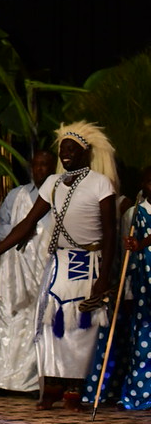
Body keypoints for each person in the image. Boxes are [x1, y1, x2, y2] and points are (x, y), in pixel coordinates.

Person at [0, 121, 118, 411]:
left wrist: (103, 277)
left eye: (71, 148)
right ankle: (52, 386)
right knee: (51, 324)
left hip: (87, 261)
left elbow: (110, 233)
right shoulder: (54, 183)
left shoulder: (100, 183)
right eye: (62, 148)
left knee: (81, 327)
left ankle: (74, 390)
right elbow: (26, 224)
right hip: (59, 263)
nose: (65, 153)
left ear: (85, 152)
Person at [0, 150, 55, 395]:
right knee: (10, 319)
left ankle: (32, 383)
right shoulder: (17, 195)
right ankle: (0, 380)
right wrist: (14, 236)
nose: (40, 170)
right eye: (36, 165)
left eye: (45, 165)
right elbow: (0, 226)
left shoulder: (59, 196)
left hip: (44, 266)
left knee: (38, 320)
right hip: (16, 265)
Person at [83, 166, 151, 410]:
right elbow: (126, 256)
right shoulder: (135, 215)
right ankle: (140, 394)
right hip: (143, 285)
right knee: (143, 342)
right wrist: (128, 289)